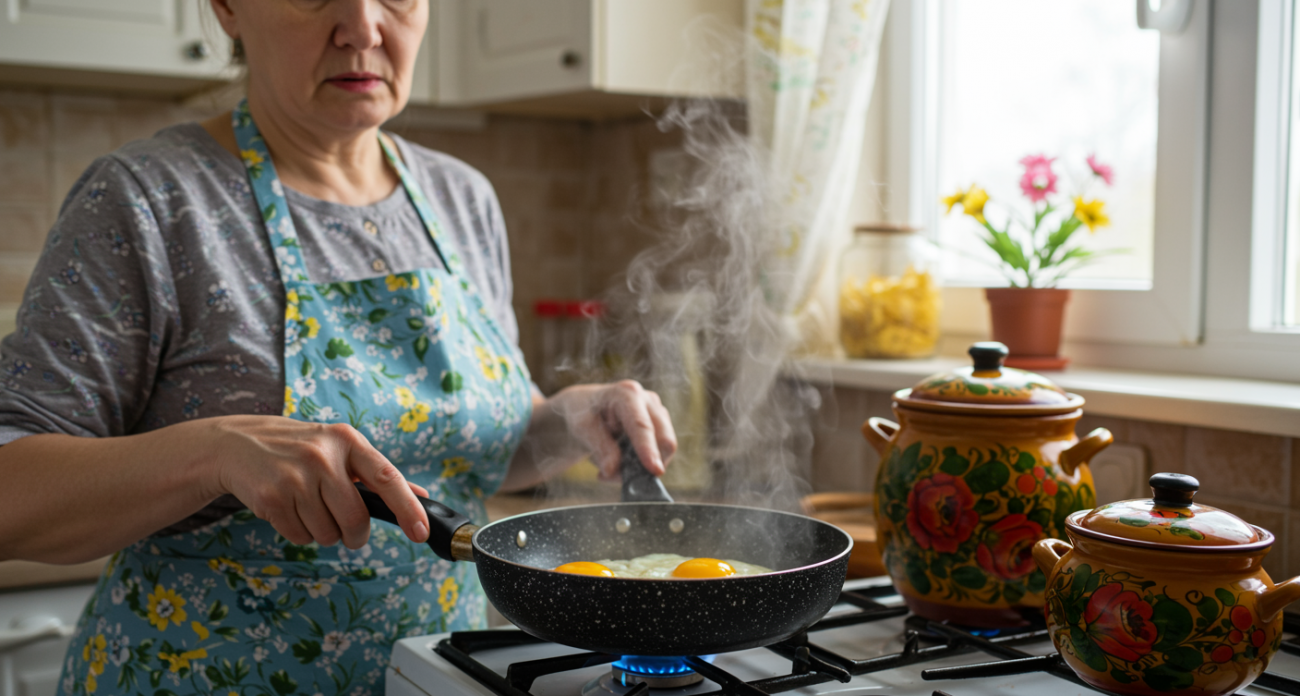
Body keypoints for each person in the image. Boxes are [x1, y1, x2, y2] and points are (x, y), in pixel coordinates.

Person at [0, 1, 677, 694]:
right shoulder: (148, 201)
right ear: (229, 8)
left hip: (431, 681)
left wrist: (570, 417)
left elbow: (470, 451)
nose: (362, 26)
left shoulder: (459, 198)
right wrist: (214, 452)